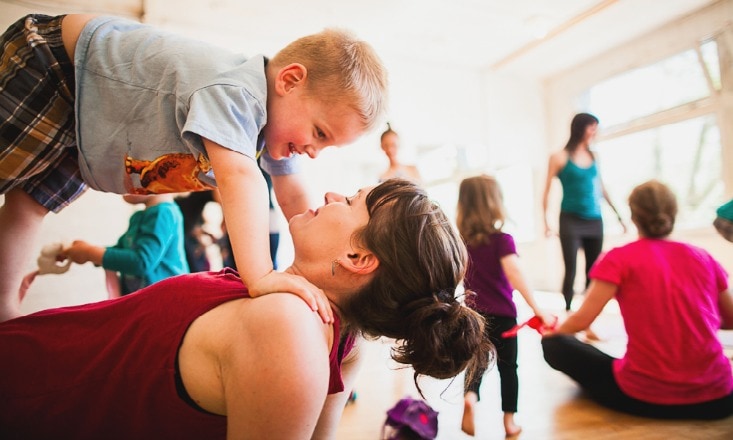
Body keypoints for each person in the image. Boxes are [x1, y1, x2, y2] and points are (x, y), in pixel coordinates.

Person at [0, 179, 493, 439]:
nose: (328, 194)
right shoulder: (332, 331)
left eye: (349, 199)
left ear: (358, 258)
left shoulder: (291, 328)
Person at [0, 14, 388, 322]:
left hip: (88, 119)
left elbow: (293, 195)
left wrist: (320, 272)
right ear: (289, 80)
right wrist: (263, 277)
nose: (314, 151)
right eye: (319, 133)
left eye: (327, 145)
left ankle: (4, 314)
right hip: (59, 70)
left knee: (27, 205)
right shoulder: (240, 93)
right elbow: (240, 178)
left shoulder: (270, 125)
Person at [542, 180, 733, 420]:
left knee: (554, 345)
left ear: (633, 216)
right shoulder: (703, 257)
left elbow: (581, 321)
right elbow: (730, 320)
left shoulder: (619, 258)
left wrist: (552, 331)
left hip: (645, 397)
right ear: (673, 213)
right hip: (719, 399)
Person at [456, 175, 554, 437]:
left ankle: (470, 397)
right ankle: (509, 422)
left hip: (474, 316)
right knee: (508, 368)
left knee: (475, 363)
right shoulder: (502, 240)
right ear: (494, 203)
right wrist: (537, 308)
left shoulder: (461, 243)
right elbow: (515, 274)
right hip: (503, 316)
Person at [541, 112, 626, 314]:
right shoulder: (559, 157)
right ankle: (568, 310)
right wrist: (546, 221)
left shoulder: (594, 156)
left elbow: (601, 188)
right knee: (571, 267)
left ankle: (588, 311)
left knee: (593, 269)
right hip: (570, 218)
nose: (595, 132)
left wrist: (619, 216)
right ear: (581, 128)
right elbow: (546, 190)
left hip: (595, 219)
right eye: (592, 127)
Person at [62, 193, 189, 296]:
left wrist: (90, 253)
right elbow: (122, 252)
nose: (120, 181)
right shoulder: (139, 217)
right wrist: (82, 252)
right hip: (144, 304)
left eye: (131, 172)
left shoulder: (163, 213)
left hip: (165, 304)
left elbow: (141, 262)